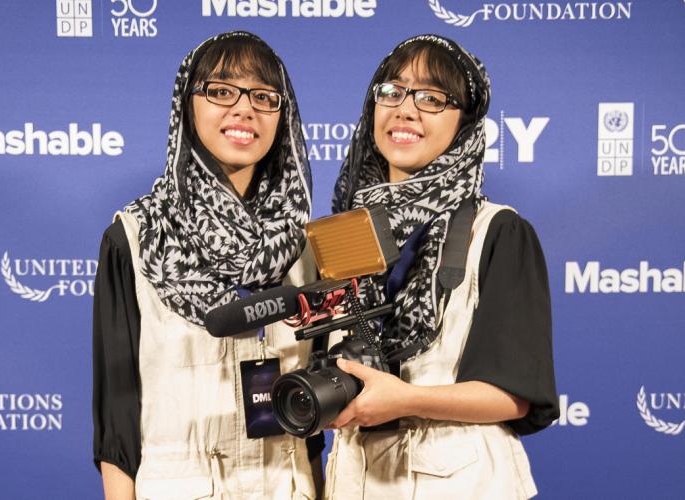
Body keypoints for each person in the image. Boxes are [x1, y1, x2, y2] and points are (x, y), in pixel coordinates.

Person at [324, 34, 559, 499]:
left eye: (432, 98)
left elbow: (513, 395)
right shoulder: (344, 233)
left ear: (465, 126)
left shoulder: (498, 232)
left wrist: (406, 399)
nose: (405, 110)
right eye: (392, 91)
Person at [92, 31, 322, 500]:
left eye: (263, 96)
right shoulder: (136, 236)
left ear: (285, 115)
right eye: (220, 91)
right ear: (186, 105)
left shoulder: (305, 244)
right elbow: (117, 410)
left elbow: (314, 418)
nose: (244, 109)